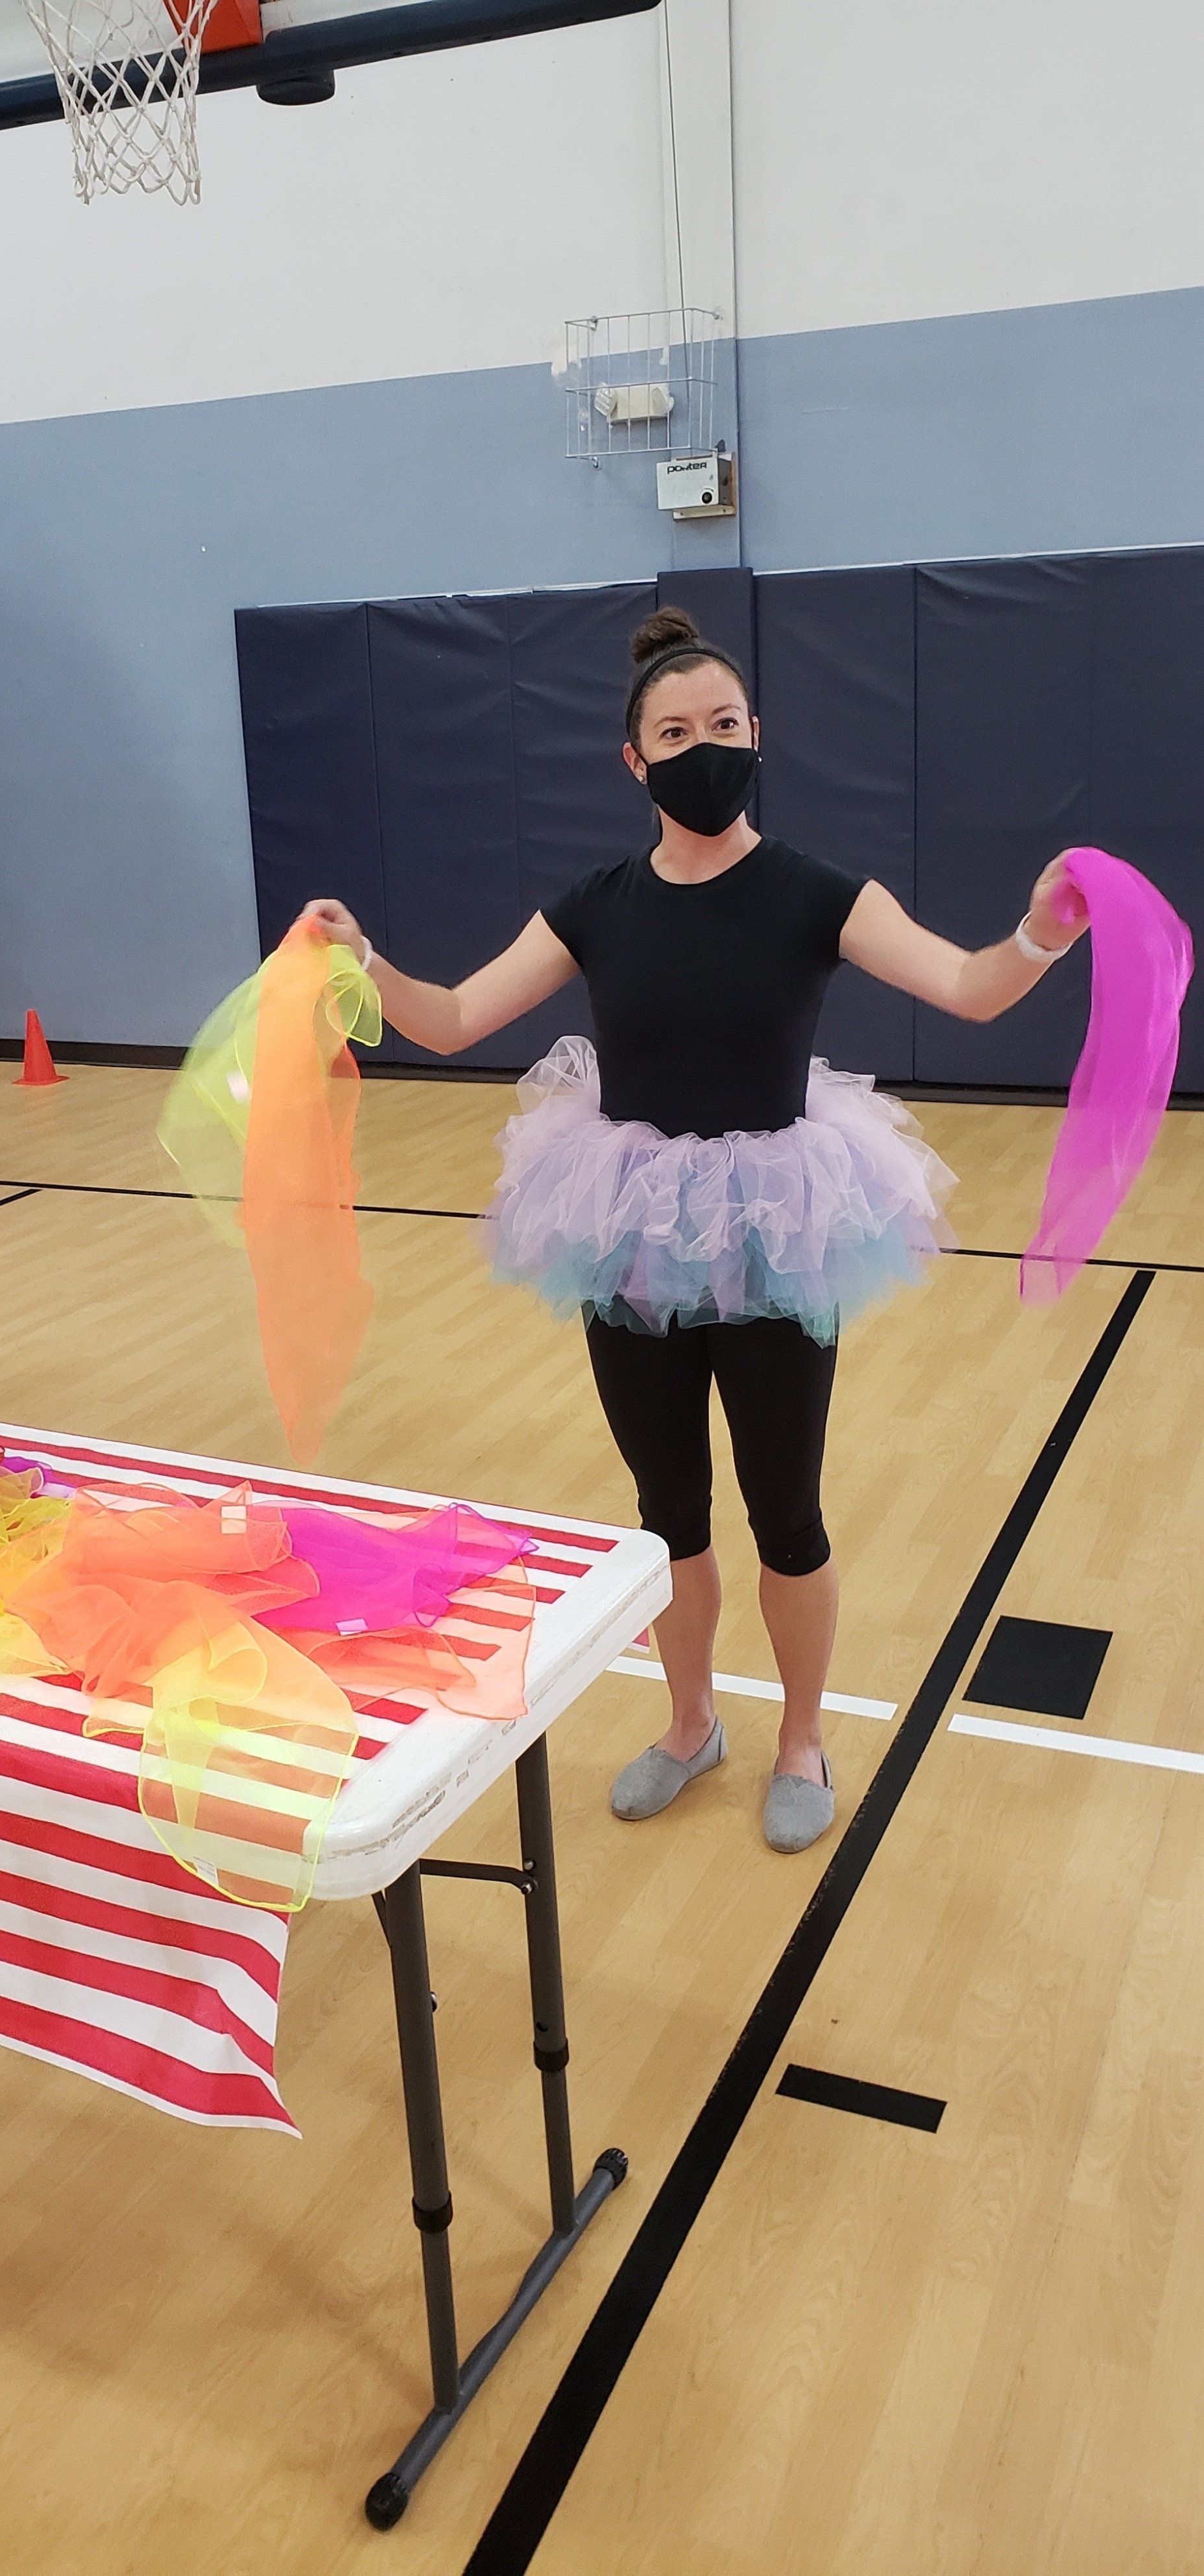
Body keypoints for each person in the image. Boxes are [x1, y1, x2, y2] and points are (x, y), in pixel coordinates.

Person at [301, 606, 1087, 1854]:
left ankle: (804, 1738)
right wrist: (363, 959)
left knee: (789, 1511)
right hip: (630, 1237)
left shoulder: (816, 892)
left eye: (724, 724)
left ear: (756, 736)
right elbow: (449, 1019)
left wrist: (1044, 927)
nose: (703, 747)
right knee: (666, 1504)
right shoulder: (596, 904)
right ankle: (689, 1723)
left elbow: (969, 986)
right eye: (676, 731)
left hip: (778, 1233)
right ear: (636, 759)